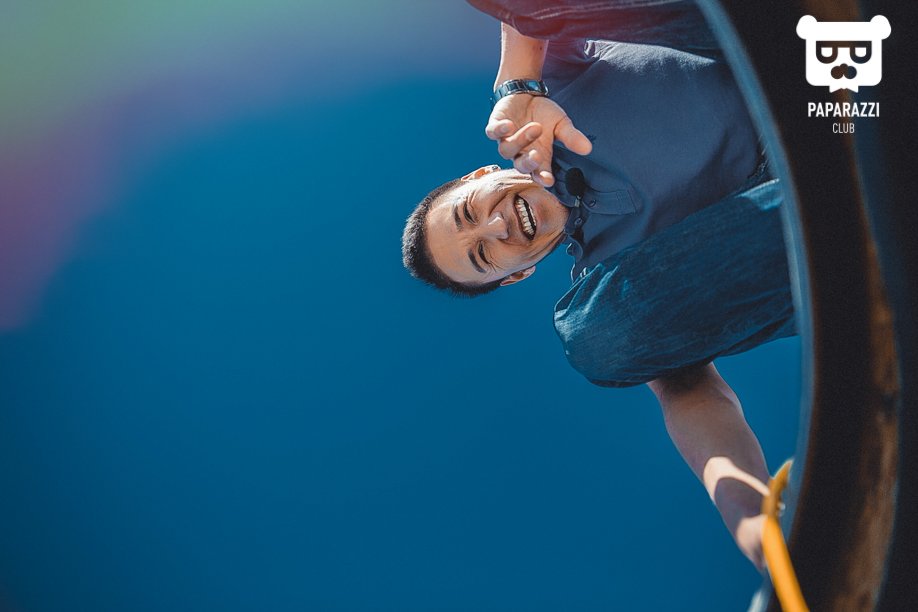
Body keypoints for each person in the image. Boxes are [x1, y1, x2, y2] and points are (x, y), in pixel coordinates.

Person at [401, 0, 797, 571]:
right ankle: (836, 215)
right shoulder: (614, 286)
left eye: (470, 214)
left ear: (481, 174)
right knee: (597, 337)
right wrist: (750, 517)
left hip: (790, 56)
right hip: (799, 202)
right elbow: (690, 395)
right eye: (485, 255)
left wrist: (517, 82)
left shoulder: (556, 79)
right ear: (517, 274)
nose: (497, 227)